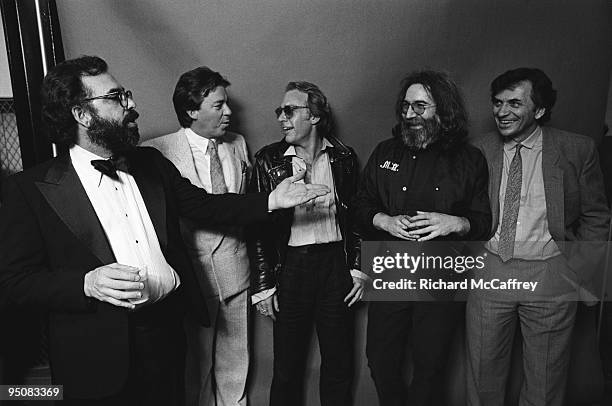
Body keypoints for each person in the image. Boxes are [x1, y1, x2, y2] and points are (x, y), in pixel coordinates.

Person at [0, 56, 328, 406]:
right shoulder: (30, 189)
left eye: (125, 93)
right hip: (97, 353)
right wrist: (85, 283)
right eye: (116, 98)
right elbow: (13, 280)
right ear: (82, 115)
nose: (132, 104)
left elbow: (205, 206)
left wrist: (271, 201)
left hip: (165, 337)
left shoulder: (150, 163)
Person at [466, 67, 610, 405]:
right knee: (483, 377)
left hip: (550, 273)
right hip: (491, 271)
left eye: (515, 103)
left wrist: (579, 274)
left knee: (545, 382)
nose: (502, 112)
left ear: (540, 110)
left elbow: (596, 215)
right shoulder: (479, 149)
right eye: (498, 103)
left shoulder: (577, 149)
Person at [351, 70, 491, 406]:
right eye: (406, 106)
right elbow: (358, 206)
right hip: (390, 272)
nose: (410, 114)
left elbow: (483, 222)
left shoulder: (469, 159)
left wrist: (454, 223)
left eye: (420, 107)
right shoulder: (385, 151)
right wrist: (382, 219)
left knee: (430, 367)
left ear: (442, 111)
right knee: (381, 359)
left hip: (441, 276)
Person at [248, 81, 365, 406]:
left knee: (339, 363)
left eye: (289, 110)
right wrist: (264, 283)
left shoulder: (343, 157)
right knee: (286, 367)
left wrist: (358, 267)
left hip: (335, 267)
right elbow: (256, 225)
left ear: (314, 116)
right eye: (279, 112)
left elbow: (356, 215)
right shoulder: (268, 160)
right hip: (292, 269)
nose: (282, 118)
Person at [142, 66, 252, 406]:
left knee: (236, 365)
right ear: (191, 110)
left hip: (237, 270)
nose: (229, 112)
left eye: (227, 104)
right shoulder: (154, 152)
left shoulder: (237, 144)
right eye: (218, 105)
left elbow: (240, 207)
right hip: (190, 278)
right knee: (194, 368)